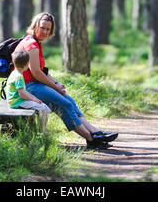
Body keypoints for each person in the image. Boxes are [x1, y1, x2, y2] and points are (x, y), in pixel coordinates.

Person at [16, 12, 119, 149]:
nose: (44, 32)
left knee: (70, 101)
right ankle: (91, 139)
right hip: (27, 87)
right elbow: (36, 73)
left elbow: (43, 71)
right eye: (42, 28)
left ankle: (95, 132)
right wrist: (55, 87)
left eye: (48, 29)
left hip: (34, 84)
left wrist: (56, 84)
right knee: (65, 104)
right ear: (35, 26)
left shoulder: (36, 43)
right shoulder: (31, 45)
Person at [6, 48, 51, 130]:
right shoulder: (18, 77)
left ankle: (33, 128)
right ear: (27, 64)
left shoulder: (14, 73)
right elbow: (22, 93)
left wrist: (35, 99)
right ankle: (42, 131)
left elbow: (24, 92)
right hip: (17, 102)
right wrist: (34, 99)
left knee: (41, 106)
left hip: (14, 100)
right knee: (44, 108)